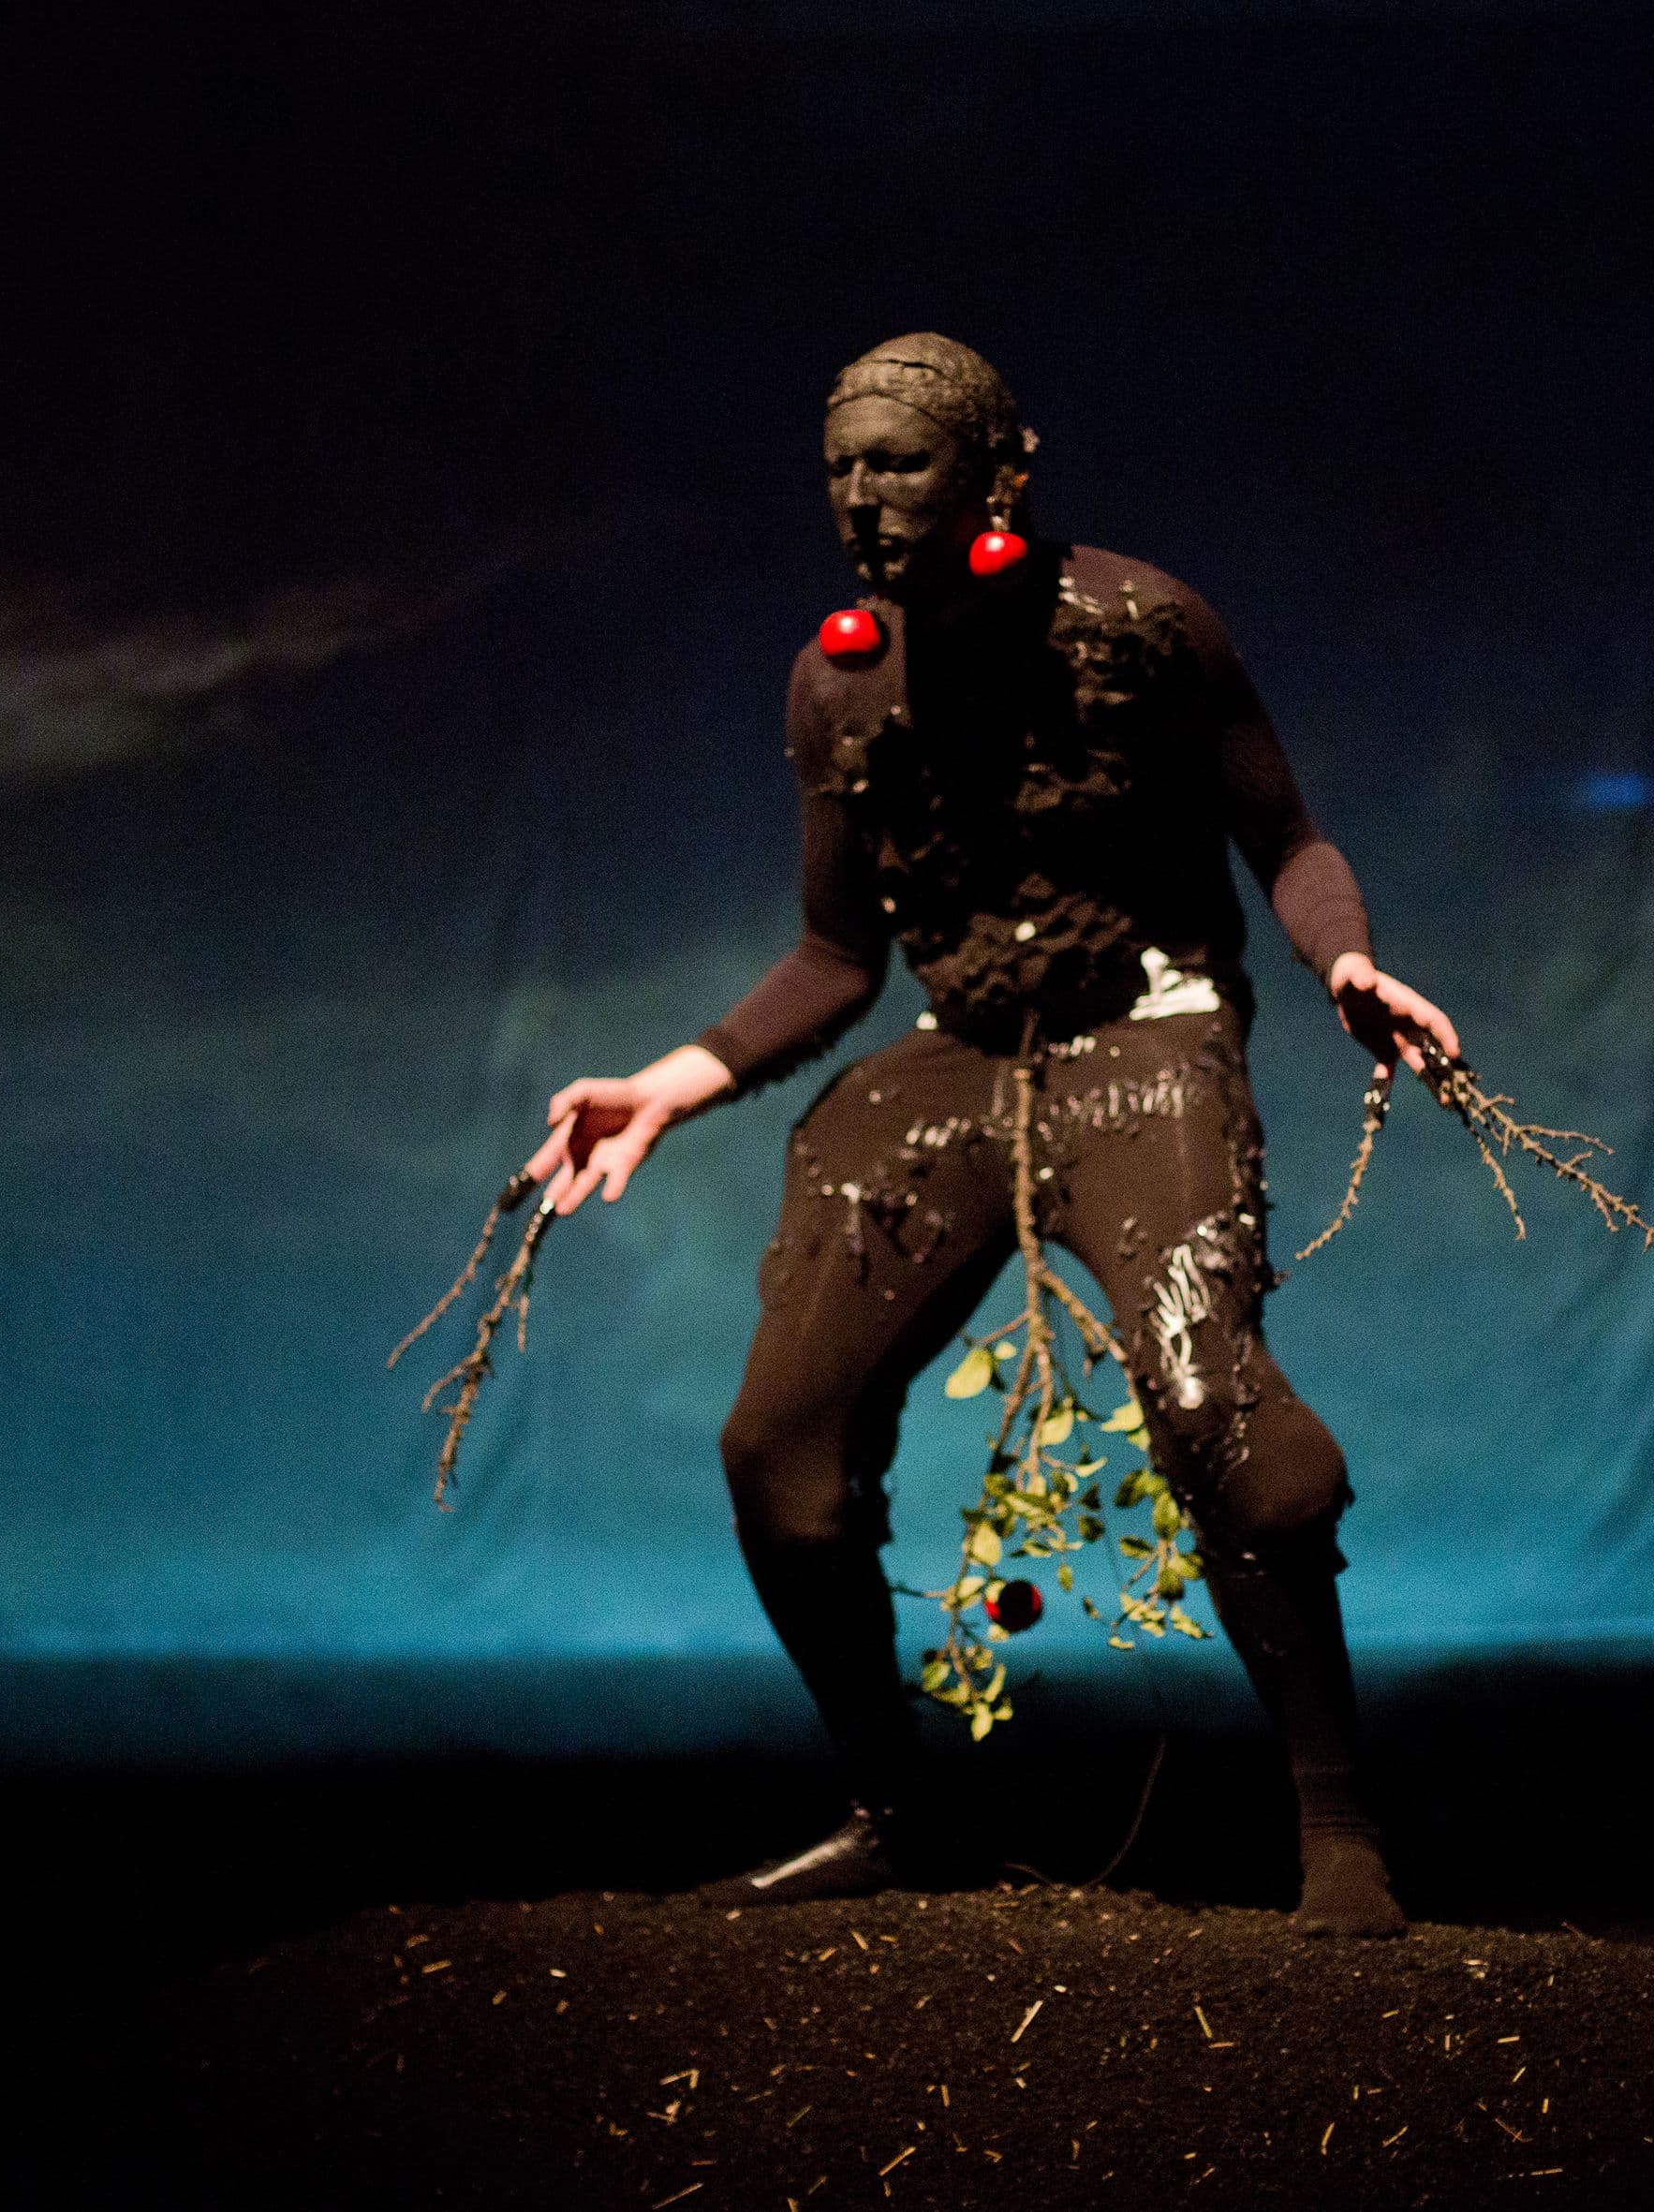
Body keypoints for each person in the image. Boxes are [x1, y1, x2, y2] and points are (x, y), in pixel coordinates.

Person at [524, 333, 1458, 1939]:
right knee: (777, 1443)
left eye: (899, 462)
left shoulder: (1145, 626)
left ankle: (1336, 1826)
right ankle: (894, 1810)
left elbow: (1286, 837)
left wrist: (1344, 963)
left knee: (1222, 1415)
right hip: (963, 1057)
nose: (863, 498)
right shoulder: (838, 679)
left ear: (997, 472)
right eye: (842, 469)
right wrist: (671, 1081)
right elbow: (838, 957)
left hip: (1145, 1038)